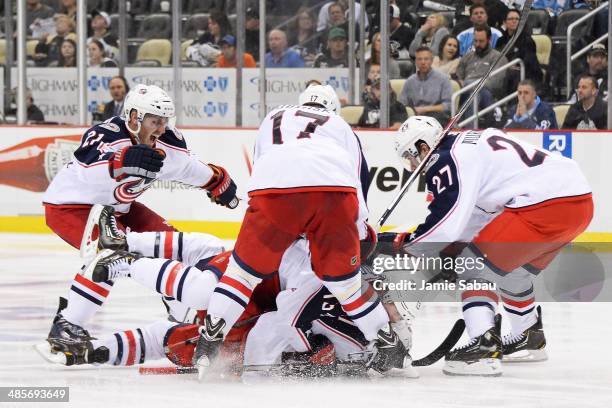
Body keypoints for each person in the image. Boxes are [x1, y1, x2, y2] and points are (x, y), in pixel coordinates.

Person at [193, 84, 411, 380]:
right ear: (332, 109)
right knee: (347, 284)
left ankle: (210, 339)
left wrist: (289, 226)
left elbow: (262, 169)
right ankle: (387, 341)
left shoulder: (274, 116)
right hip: (333, 190)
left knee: (242, 275)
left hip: (273, 188)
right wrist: (359, 232)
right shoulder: (341, 125)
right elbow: (358, 184)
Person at [378, 115, 592, 376]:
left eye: (410, 157)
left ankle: (483, 347)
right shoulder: (467, 145)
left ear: (424, 147)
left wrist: (405, 244)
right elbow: (475, 217)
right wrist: (447, 251)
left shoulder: (444, 159)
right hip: (578, 201)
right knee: (513, 270)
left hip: (542, 205)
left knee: (474, 266)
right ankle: (529, 336)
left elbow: (446, 223)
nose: (412, 167)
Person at [42, 84, 239, 344]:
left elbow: (185, 167)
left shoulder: (168, 140)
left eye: (164, 121)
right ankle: (67, 325)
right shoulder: (106, 133)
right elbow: (86, 170)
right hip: (72, 207)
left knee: (173, 246)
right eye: (155, 121)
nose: (161, 128)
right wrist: (120, 161)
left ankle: (185, 319)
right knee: (110, 254)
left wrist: (216, 180)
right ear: (134, 117)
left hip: (120, 208)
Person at [456, 25, 508, 125]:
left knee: (475, 94)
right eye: (475, 41)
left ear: (489, 39)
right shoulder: (467, 57)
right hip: (465, 91)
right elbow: (458, 76)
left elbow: (495, 82)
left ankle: (469, 129)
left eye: (481, 41)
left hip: (487, 93)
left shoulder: (498, 57)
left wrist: (471, 84)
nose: (477, 44)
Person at [399, 46, 452, 124]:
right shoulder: (410, 81)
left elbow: (448, 105)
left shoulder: (443, 79)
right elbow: (402, 104)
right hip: (414, 118)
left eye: (426, 59)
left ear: (432, 60)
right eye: (419, 59)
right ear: (415, 61)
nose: (423, 62)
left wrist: (424, 109)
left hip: (436, 118)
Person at [495, 9, 543, 93]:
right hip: (504, 71)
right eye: (511, 19)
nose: (514, 21)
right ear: (505, 22)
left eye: (517, 19)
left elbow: (529, 62)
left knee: (512, 75)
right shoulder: (501, 41)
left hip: (525, 73)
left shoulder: (527, 40)